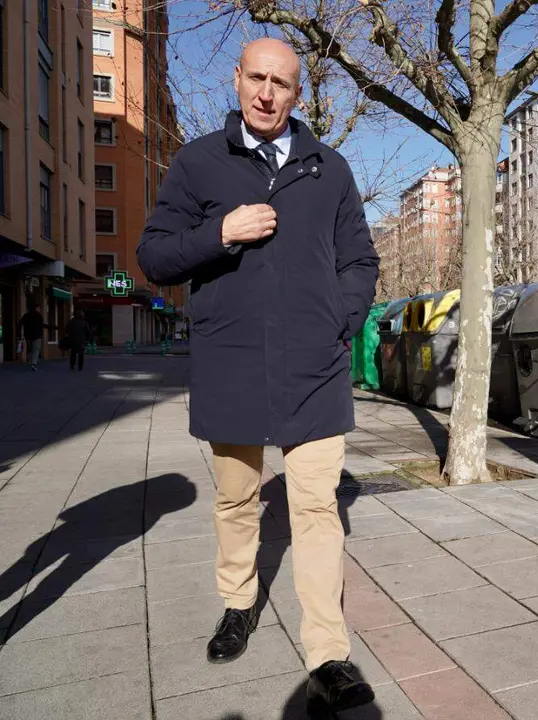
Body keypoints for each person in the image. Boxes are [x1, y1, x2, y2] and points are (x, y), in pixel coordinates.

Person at [136, 38, 379, 714]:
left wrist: (341, 319)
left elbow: (360, 259)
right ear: (237, 79)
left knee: (317, 509)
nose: (267, 94)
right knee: (237, 501)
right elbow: (153, 257)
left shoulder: (328, 168)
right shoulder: (198, 162)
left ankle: (327, 654)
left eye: (282, 83)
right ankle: (239, 603)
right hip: (232, 361)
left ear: (298, 93)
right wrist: (221, 233)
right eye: (257, 78)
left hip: (314, 366)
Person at [17, 303, 49, 371]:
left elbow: (20, 323)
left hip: (28, 336)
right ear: (36, 308)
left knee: (30, 350)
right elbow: (42, 325)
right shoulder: (39, 316)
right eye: (39, 308)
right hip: (37, 335)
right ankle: (33, 364)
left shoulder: (26, 315)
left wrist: (19, 335)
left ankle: (30, 363)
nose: (40, 310)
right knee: (36, 350)